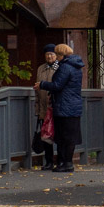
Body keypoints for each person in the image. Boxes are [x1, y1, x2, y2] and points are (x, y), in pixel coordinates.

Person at [35, 43, 85, 172]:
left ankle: (66, 163)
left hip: (64, 106)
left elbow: (57, 85)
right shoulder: (75, 66)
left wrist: (42, 84)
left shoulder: (65, 67)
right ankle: (65, 163)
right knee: (69, 136)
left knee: (64, 137)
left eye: (56, 54)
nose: (55, 57)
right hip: (72, 105)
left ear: (61, 54)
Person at [32, 47, 60, 170]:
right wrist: (38, 109)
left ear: (56, 55)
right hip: (44, 108)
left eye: (51, 54)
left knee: (58, 134)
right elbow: (37, 90)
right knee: (45, 136)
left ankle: (60, 160)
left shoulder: (59, 68)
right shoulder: (41, 69)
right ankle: (48, 161)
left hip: (55, 107)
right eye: (47, 54)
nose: (49, 57)